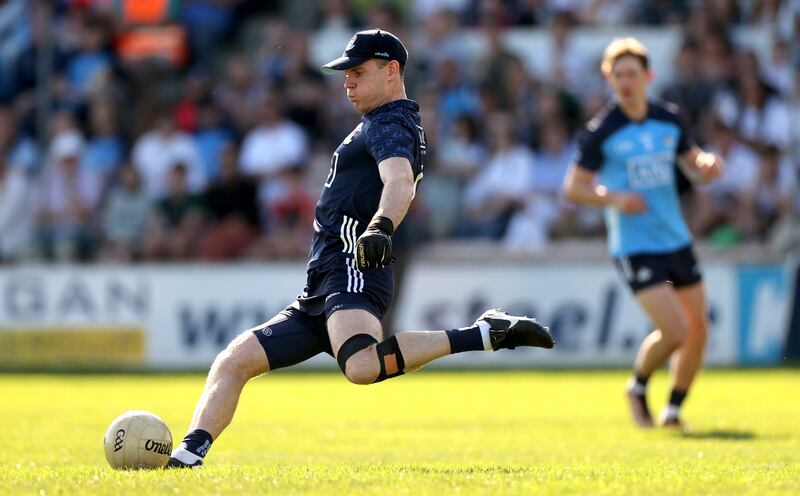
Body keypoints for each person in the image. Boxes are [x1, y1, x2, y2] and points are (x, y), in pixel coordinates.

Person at [167, 29, 554, 468]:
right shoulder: (381, 123)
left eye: (357, 71)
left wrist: (380, 227)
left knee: (361, 367)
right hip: (322, 283)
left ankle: (484, 333)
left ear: (392, 71)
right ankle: (187, 457)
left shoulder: (390, 123)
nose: (347, 82)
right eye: (345, 73)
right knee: (235, 360)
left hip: (354, 267)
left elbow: (400, 183)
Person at [562, 38, 723, 430]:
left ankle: (673, 410)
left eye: (632, 73)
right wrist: (613, 197)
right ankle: (637, 386)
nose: (626, 81)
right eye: (618, 75)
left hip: (676, 238)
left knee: (698, 330)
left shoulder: (670, 118)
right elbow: (574, 189)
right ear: (609, 81)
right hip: (634, 245)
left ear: (648, 76)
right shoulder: (601, 131)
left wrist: (707, 164)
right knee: (675, 330)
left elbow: (694, 162)